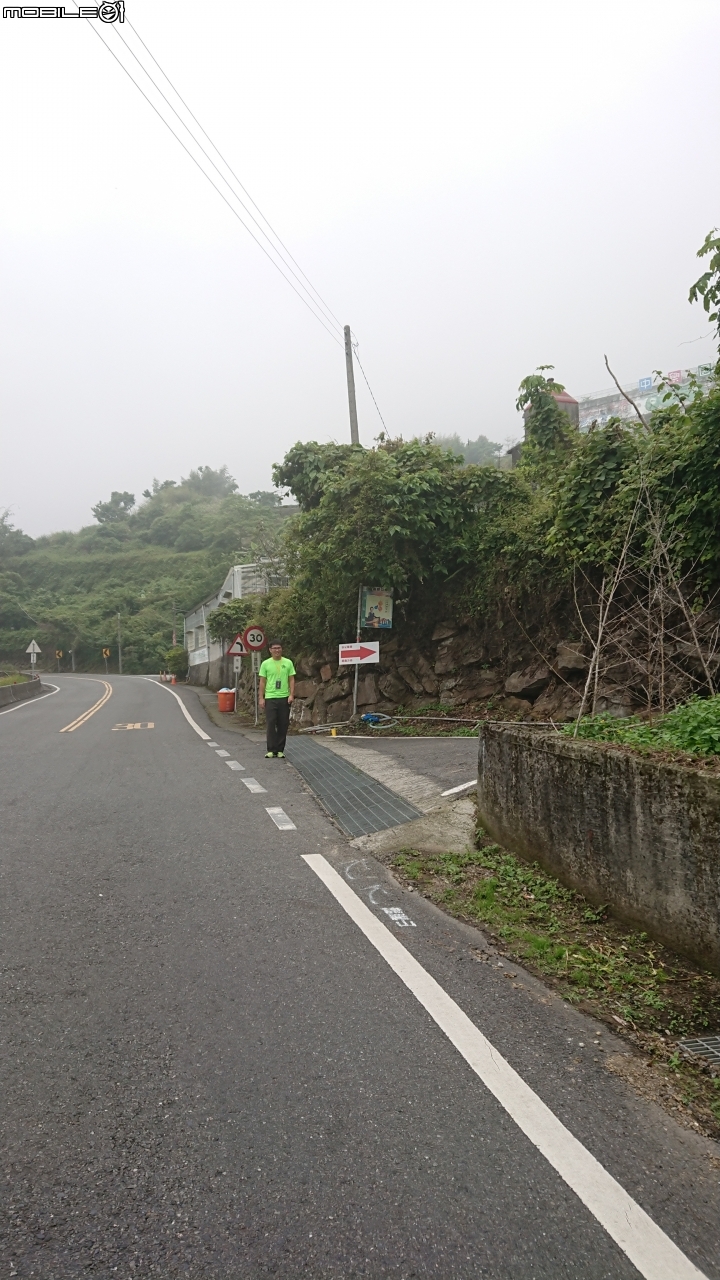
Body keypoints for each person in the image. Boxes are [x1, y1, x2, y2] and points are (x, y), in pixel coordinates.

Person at [258, 641, 295, 758]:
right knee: (270, 723)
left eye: (279, 648)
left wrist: (291, 694)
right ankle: (271, 749)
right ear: (270, 650)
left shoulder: (288, 662)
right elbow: (262, 682)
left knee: (283, 724)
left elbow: (291, 680)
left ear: (282, 649)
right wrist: (261, 697)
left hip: (284, 697)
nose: (277, 650)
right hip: (270, 697)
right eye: (274, 648)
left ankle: (280, 750)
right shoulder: (265, 664)